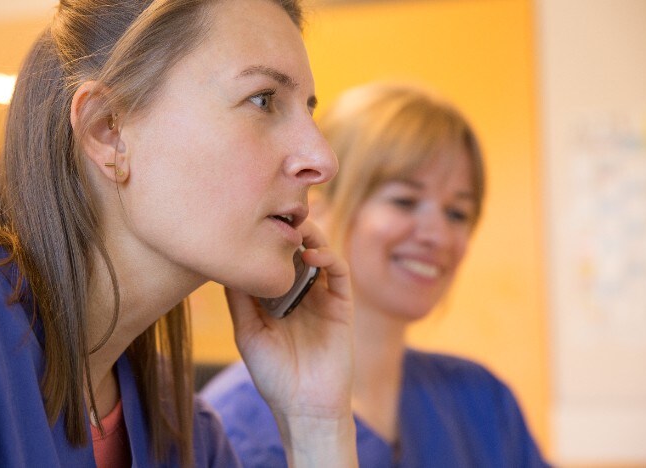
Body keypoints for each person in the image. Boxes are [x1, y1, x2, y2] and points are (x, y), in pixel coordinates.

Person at [0, 0, 359, 466]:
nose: (322, 160)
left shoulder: (188, 436)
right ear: (108, 130)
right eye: (263, 100)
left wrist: (315, 423)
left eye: (308, 110)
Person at [201, 82, 551, 467]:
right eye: (404, 201)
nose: (438, 235)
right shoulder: (228, 429)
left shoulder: (482, 400)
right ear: (316, 211)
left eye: (458, 213)